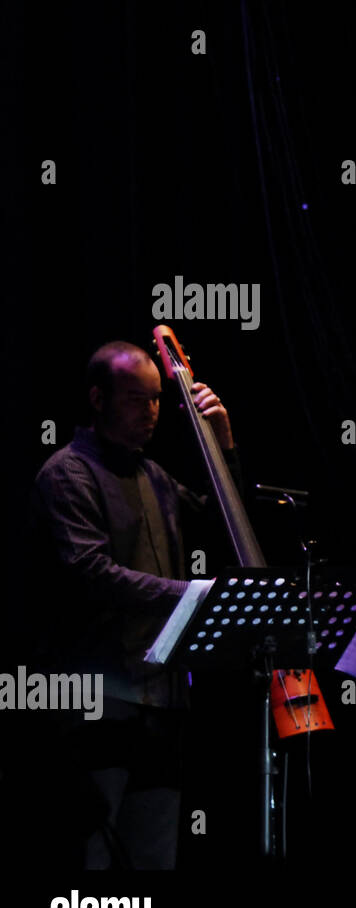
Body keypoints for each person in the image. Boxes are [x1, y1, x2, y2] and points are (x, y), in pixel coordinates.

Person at [27, 340, 239, 869]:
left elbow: (225, 521)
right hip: (97, 702)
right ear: (98, 399)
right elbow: (91, 573)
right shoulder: (66, 473)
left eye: (156, 401)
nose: (150, 412)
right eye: (135, 399)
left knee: (154, 861)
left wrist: (223, 444)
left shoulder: (156, 477)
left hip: (161, 703)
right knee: (88, 863)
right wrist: (192, 595)